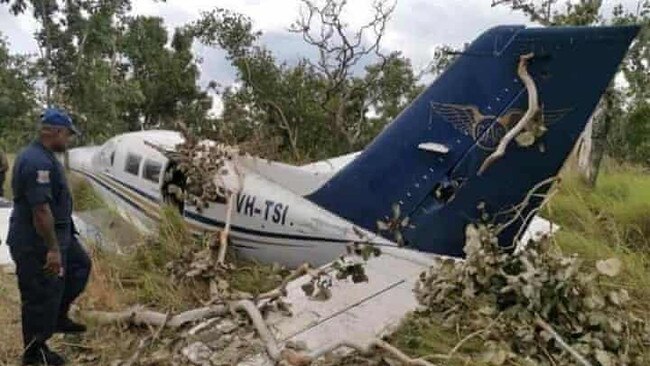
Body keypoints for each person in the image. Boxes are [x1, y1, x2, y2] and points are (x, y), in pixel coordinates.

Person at [7, 108, 92, 366]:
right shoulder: (36, 162)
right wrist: (53, 250)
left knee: (80, 266)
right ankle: (35, 353)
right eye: (67, 134)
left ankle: (57, 317)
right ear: (54, 132)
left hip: (60, 235)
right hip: (37, 243)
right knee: (38, 295)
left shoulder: (46, 156)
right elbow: (41, 211)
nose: (69, 140)